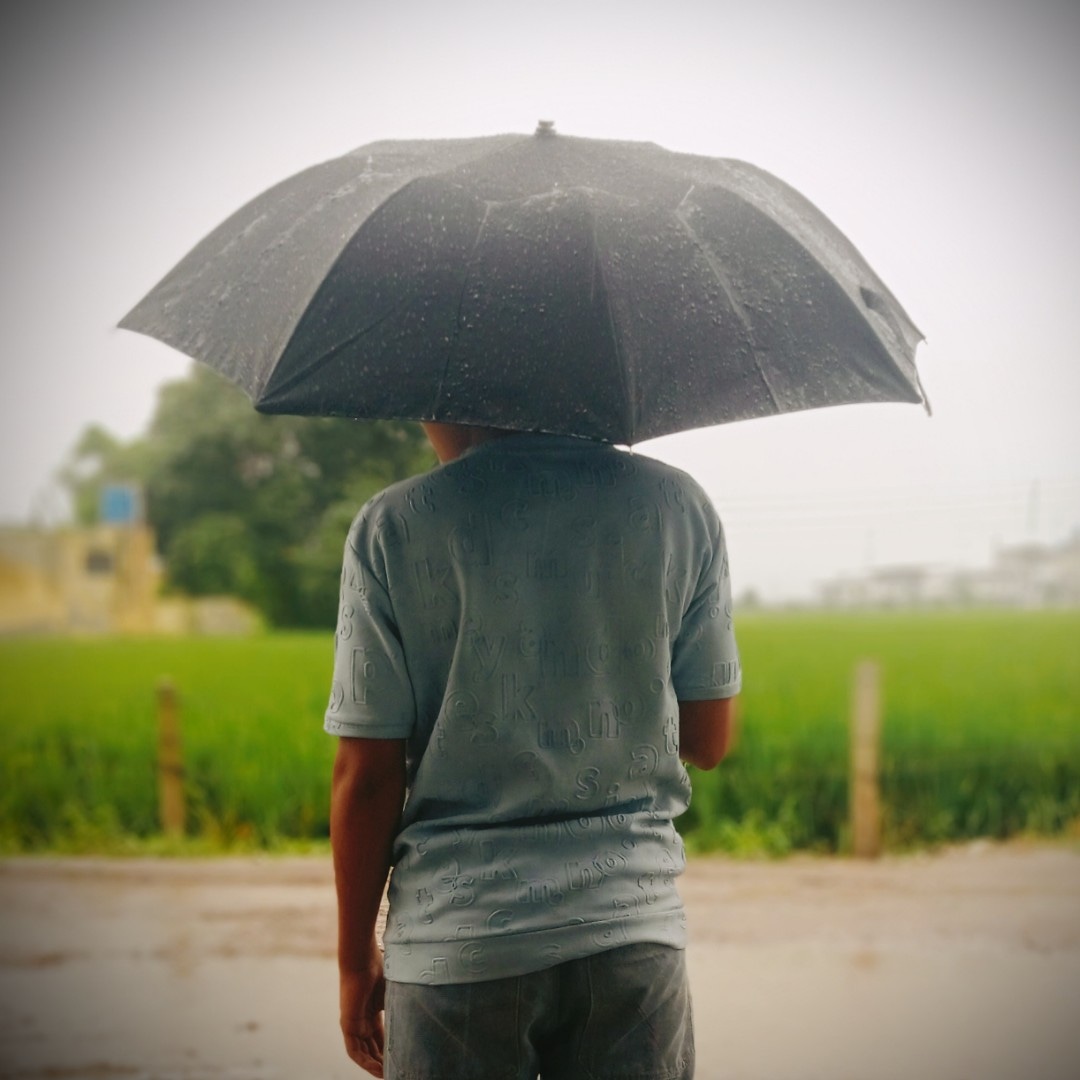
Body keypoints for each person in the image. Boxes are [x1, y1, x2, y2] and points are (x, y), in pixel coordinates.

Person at [326, 422, 741, 1079]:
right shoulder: (676, 505)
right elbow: (708, 741)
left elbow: (368, 778)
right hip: (630, 931)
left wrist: (355, 961)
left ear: (452, 390)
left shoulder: (392, 524)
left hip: (457, 941)